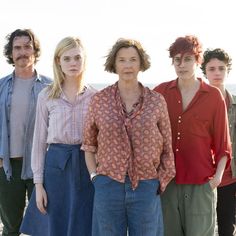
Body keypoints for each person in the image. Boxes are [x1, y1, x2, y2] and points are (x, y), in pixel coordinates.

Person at [82, 38, 176, 236]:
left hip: (146, 185)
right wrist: (95, 178)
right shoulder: (99, 100)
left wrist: (159, 182)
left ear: (141, 63)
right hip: (108, 184)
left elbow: (168, 146)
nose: (127, 65)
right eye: (122, 60)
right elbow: (89, 145)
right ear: (114, 64)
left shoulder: (156, 101)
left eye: (133, 59)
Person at [154, 35, 231, 236]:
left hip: (201, 183)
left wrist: (216, 179)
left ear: (198, 61)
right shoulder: (160, 92)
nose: (182, 64)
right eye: (177, 60)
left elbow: (223, 144)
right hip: (167, 183)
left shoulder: (213, 96)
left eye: (188, 59)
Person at [20, 36, 95, 236]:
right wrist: (39, 185)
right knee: (55, 227)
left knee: (83, 226)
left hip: (85, 167)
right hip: (55, 169)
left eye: (77, 58)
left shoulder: (95, 97)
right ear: (58, 62)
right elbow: (37, 143)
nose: (73, 63)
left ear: (84, 60)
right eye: (67, 58)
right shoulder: (46, 96)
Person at [0, 29, 51, 236]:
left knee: (43, 224)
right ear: (11, 53)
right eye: (17, 48)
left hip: (42, 166)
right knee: (11, 226)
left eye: (27, 46)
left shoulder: (51, 86)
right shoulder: (1, 86)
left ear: (35, 51)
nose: (22, 52)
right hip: (7, 167)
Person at [201, 48, 236, 236]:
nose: (217, 73)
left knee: (226, 229)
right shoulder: (197, 104)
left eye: (221, 69)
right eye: (212, 69)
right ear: (204, 72)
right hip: (202, 179)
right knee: (202, 229)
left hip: (230, 179)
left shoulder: (234, 105)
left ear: (227, 71)